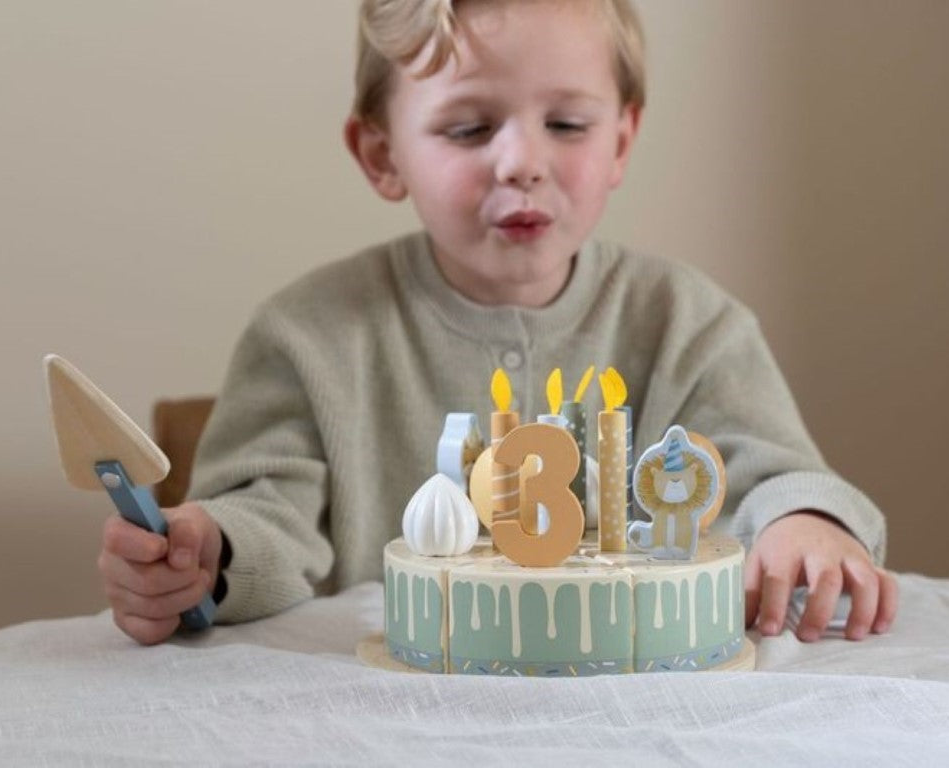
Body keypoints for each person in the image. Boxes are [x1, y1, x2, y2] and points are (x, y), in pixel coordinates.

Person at [97, 0, 898, 647]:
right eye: (470, 128)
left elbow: (771, 475)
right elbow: (262, 518)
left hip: (644, 711)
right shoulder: (307, 337)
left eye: (568, 125)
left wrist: (808, 522)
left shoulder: (690, 323)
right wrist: (209, 554)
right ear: (381, 154)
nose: (521, 161)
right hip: (392, 718)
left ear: (621, 139)